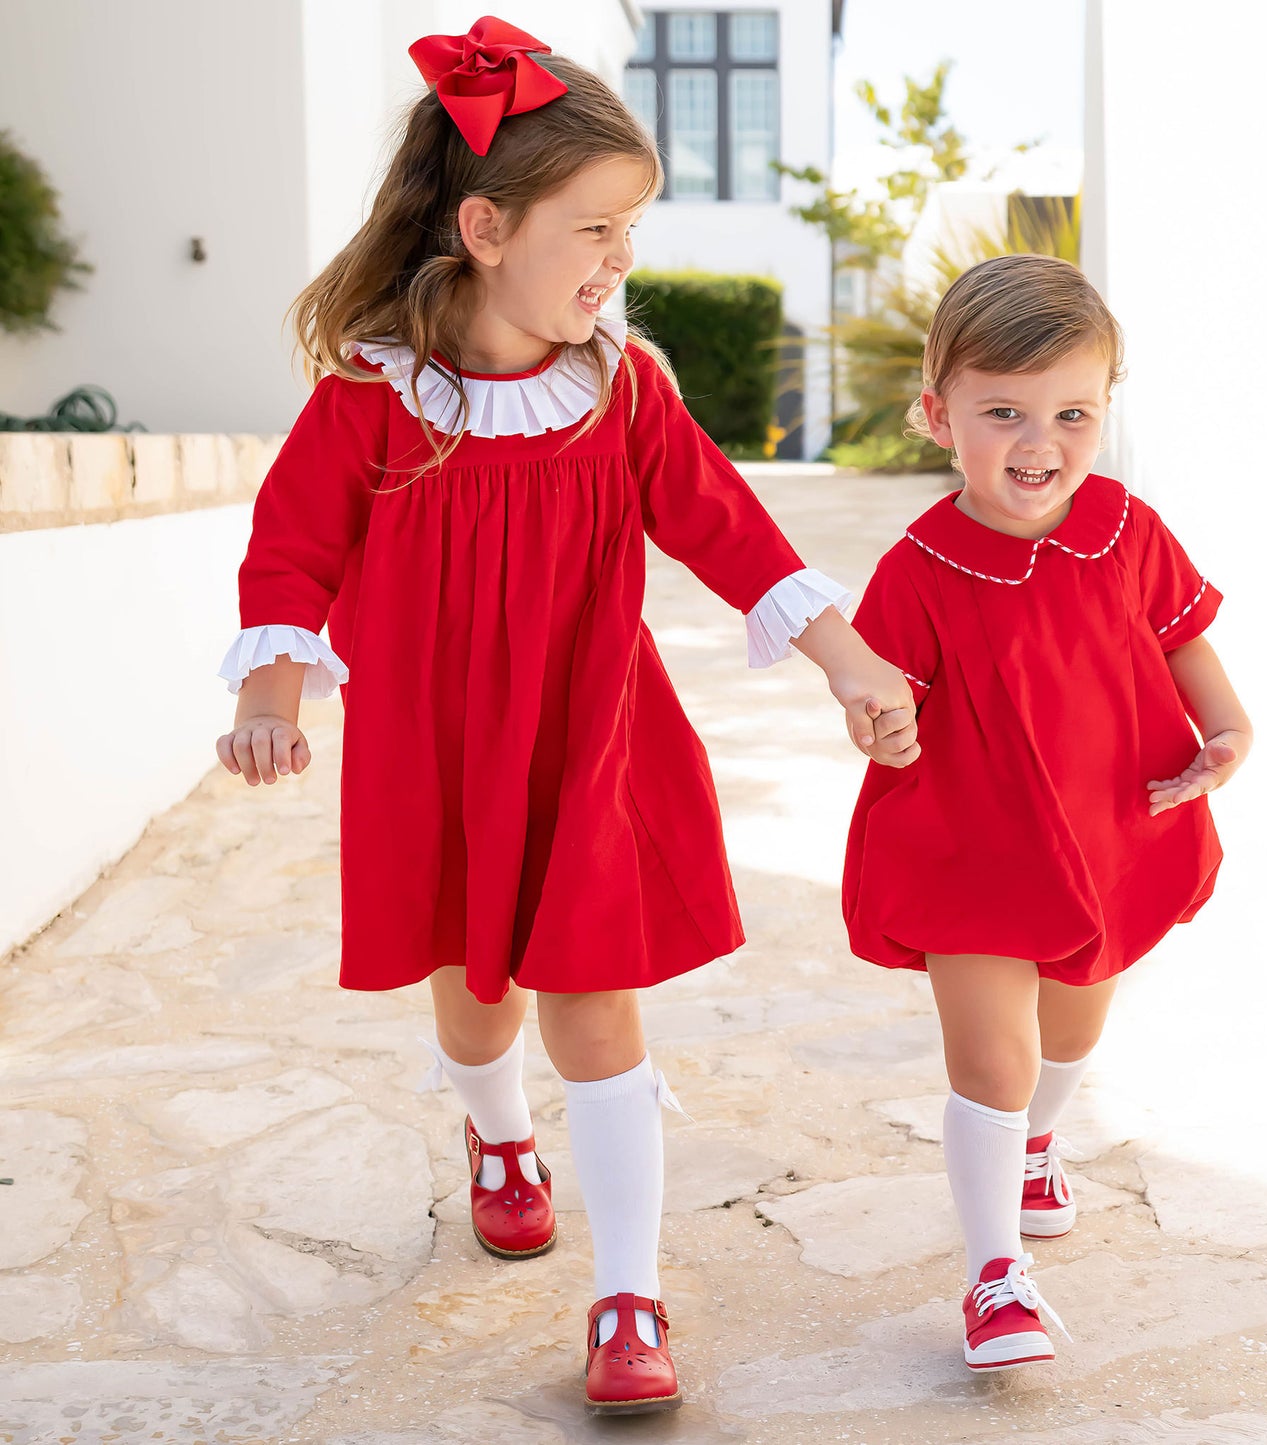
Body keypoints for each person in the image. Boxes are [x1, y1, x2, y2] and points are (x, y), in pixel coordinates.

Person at [214, 16, 918, 1415]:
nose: (619, 262)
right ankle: (496, 1139)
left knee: (598, 1008)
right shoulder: (374, 396)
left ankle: (628, 1295)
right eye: (593, 228)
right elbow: (291, 546)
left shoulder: (619, 389)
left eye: (629, 233)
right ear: (483, 226)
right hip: (438, 746)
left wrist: (846, 656)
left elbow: (731, 530)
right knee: (478, 1007)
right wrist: (270, 688)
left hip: (590, 736)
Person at [843, 254, 1251, 1372]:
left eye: (1071, 412)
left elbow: (1179, 640)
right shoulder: (916, 567)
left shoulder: (1124, 528)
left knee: (1070, 1027)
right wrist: (879, 726)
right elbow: (881, 697)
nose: (1039, 442)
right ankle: (992, 1276)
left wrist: (1226, 731)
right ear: (937, 414)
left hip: (1100, 829)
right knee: (990, 1056)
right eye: (1003, 412)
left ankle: (1035, 1143)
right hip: (967, 841)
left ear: (1104, 410)